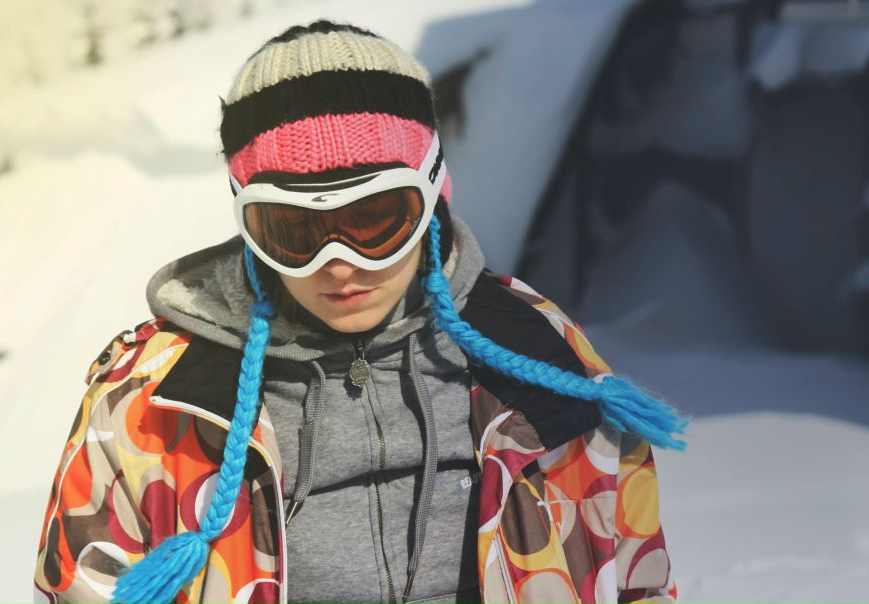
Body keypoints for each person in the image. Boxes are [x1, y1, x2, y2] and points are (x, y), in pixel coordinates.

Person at [33, 19, 686, 604]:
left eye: (374, 219)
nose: (339, 263)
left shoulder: (539, 356)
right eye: (295, 231)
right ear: (249, 227)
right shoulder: (153, 403)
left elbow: (633, 576)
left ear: (432, 197)